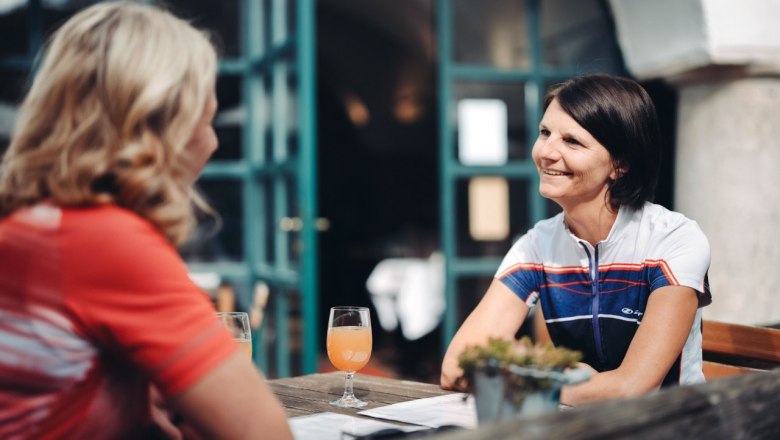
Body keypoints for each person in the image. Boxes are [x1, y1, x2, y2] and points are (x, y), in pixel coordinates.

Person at [0, 3, 292, 439]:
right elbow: (265, 433)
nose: (212, 142)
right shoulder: (104, 239)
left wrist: (129, 400)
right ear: (165, 125)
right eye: (208, 119)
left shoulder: (32, 224)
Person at [441, 73, 712, 406]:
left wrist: (530, 376)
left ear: (620, 164)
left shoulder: (673, 240)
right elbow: (456, 367)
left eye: (572, 141)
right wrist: (565, 378)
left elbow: (631, 389)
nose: (546, 152)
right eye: (545, 133)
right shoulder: (536, 246)